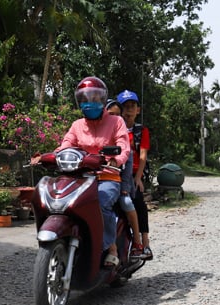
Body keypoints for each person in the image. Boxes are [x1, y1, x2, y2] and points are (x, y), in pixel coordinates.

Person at [31, 77, 130, 268]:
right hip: (80, 177)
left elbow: (123, 146)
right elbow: (66, 145)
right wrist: (48, 156)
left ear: (102, 100)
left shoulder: (116, 121)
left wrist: (115, 159)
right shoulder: (77, 125)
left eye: (94, 98)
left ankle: (111, 249)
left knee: (101, 202)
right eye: (84, 99)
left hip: (106, 176)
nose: (89, 103)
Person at [116, 89, 153, 260]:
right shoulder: (114, 129)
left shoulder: (141, 131)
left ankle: (144, 243)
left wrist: (138, 178)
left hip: (133, 174)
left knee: (138, 200)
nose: (128, 110)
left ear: (138, 110)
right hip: (115, 171)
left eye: (132, 106)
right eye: (125, 107)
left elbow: (143, 155)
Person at [105, 99, 144, 258]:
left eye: (117, 115)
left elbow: (126, 166)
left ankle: (137, 240)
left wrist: (125, 189)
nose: (114, 118)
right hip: (99, 181)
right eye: (110, 115)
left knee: (126, 202)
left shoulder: (123, 139)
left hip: (121, 183)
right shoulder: (99, 135)